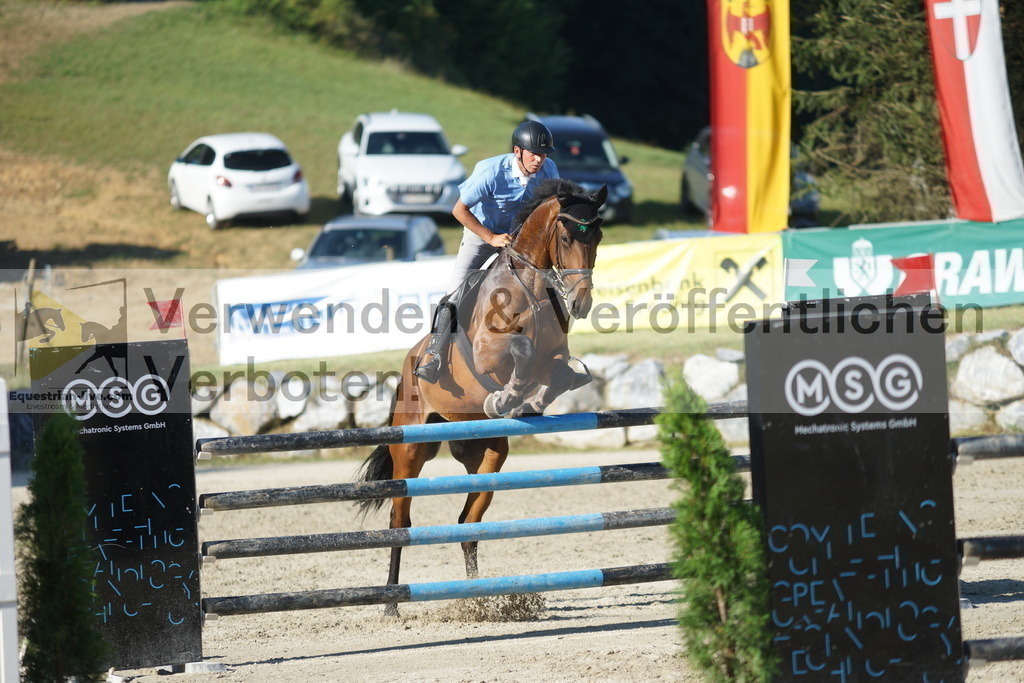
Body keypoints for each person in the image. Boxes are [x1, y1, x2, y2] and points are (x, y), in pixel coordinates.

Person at [414, 120, 559, 383]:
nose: (540, 160)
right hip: (481, 235)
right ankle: (434, 354)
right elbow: (459, 210)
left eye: (544, 154)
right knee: (455, 292)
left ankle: (555, 354)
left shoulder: (549, 170)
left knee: (548, 286)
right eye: (534, 154)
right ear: (518, 152)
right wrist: (490, 237)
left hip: (519, 241)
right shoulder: (490, 172)